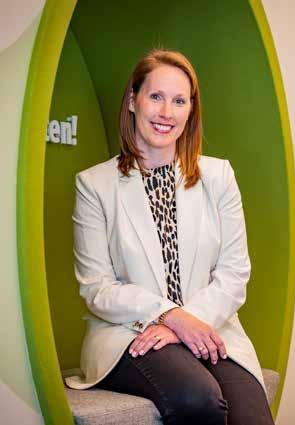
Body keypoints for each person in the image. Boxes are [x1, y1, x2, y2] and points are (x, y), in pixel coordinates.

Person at [64, 49, 275, 425]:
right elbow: (97, 288)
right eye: (156, 97)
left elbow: (234, 274)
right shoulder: (95, 185)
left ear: (191, 110)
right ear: (133, 101)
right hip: (129, 334)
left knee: (251, 417)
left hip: (210, 324)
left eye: (179, 101)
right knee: (198, 398)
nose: (167, 112)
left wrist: (186, 323)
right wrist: (170, 316)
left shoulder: (219, 177)